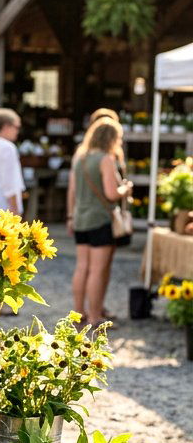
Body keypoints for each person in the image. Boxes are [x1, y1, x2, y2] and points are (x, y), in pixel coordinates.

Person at [66, 119, 132, 326]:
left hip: (81, 217)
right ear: (111, 138)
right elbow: (112, 194)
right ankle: (95, 317)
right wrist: (125, 189)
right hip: (100, 219)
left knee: (82, 267)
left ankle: (78, 312)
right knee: (97, 270)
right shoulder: (105, 159)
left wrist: (70, 216)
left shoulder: (81, 158)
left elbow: (74, 191)